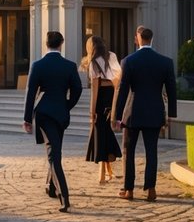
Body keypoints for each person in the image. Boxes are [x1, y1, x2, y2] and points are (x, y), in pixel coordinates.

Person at [113, 25, 176, 202]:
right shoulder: (165, 62)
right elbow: (172, 90)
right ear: (151, 39)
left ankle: (129, 189)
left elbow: (123, 90)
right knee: (152, 151)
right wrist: (171, 114)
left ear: (138, 38)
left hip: (133, 112)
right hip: (155, 112)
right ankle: (151, 189)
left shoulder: (128, 61)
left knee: (129, 151)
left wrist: (118, 116)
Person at [23, 31, 83, 212]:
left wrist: (27, 119)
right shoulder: (70, 66)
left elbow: (31, 92)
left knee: (53, 154)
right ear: (61, 44)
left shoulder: (38, 65)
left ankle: (64, 196)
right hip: (61, 115)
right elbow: (78, 89)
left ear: (46, 44)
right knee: (56, 151)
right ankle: (51, 187)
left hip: (44, 114)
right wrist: (67, 105)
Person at [81, 35, 122, 183]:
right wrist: (115, 101)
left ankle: (102, 175)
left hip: (100, 100)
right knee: (105, 133)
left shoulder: (93, 62)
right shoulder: (112, 56)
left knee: (100, 135)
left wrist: (92, 112)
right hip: (111, 95)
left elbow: (95, 90)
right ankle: (108, 171)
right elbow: (118, 78)